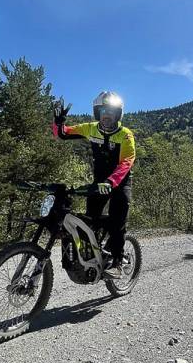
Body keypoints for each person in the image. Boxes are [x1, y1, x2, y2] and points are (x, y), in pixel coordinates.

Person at [53, 91, 135, 279]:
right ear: (98, 112)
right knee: (90, 218)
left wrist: (111, 182)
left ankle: (117, 261)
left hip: (120, 182)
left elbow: (126, 162)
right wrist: (58, 122)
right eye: (104, 111)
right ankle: (93, 253)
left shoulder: (125, 135)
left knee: (118, 218)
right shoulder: (90, 128)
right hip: (99, 181)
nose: (107, 115)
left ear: (118, 114)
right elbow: (63, 134)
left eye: (112, 111)